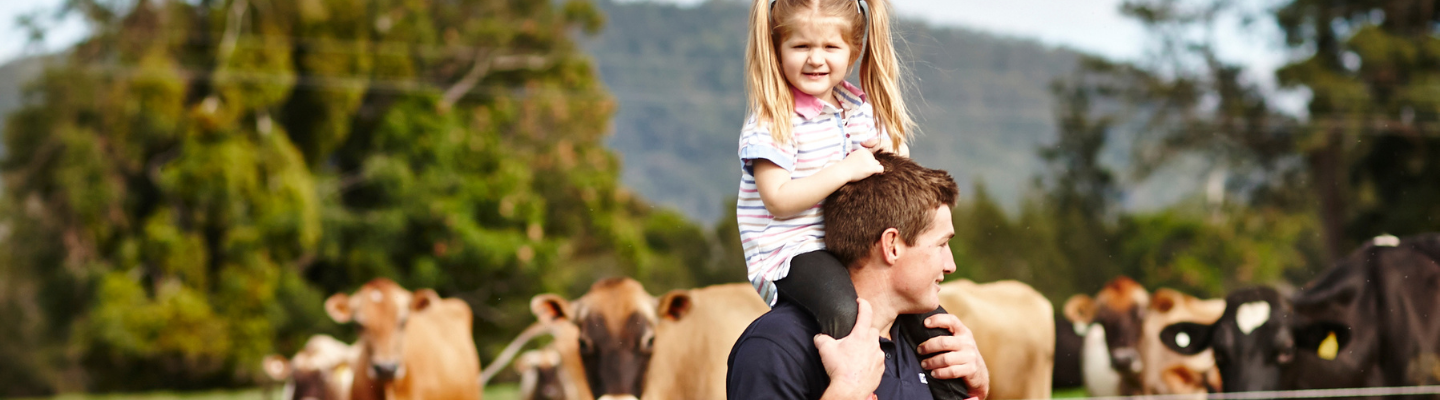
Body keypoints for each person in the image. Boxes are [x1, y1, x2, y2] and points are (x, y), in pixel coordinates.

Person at [735, 0, 969, 397]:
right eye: (800, 47)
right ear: (777, 47)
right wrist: (845, 169)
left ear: (852, 51)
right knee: (845, 310)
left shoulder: (854, 107)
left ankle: (954, 395)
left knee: (931, 318)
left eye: (830, 48)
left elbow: (891, 169)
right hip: (793, 252)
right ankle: (857, 387)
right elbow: (777, 199)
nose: (815, 59)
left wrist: (890, 155)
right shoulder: (773, 118)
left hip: (840, 242)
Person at [727, 152, 991, 400]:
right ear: (892, 246)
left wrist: (978, 386)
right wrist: (847, 390)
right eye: (942, 244)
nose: (951, 265)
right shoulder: (775, 347)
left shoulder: (930, 346)